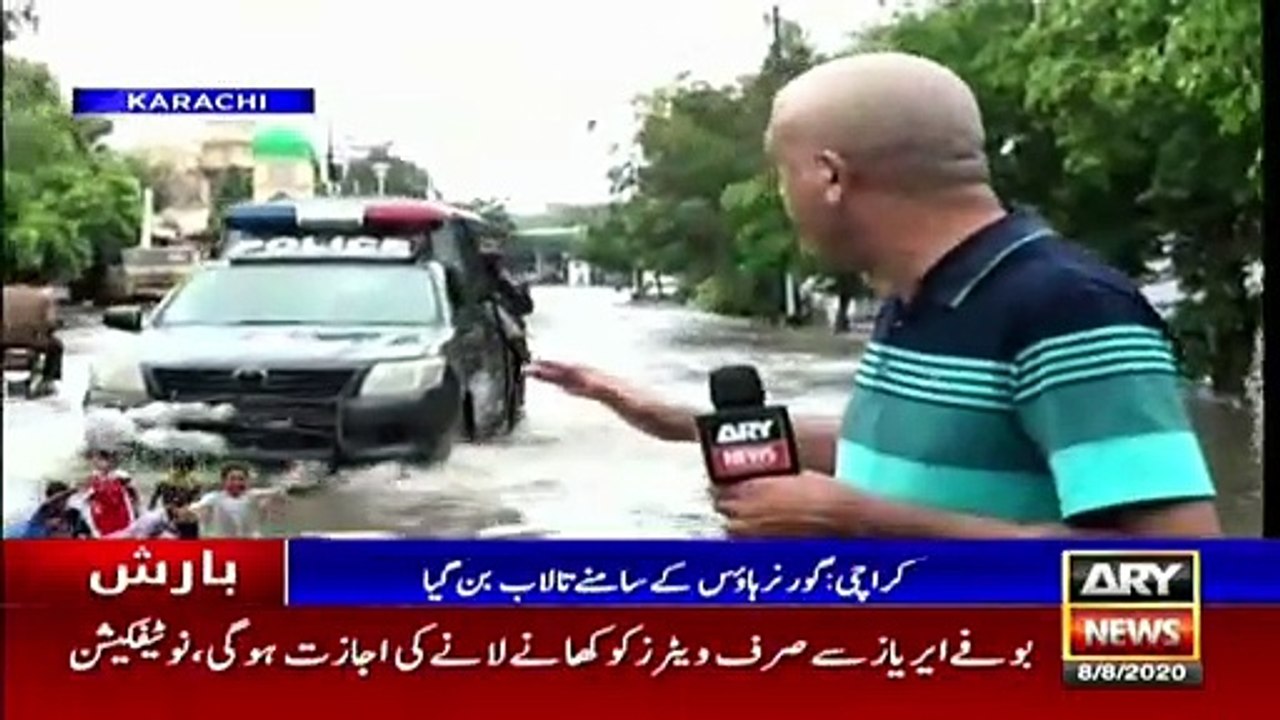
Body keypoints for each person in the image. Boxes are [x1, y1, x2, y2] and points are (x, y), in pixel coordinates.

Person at [528, 52, 1221, 539]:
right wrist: (678, 422)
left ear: (830, 177)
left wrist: (858, 519)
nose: (782, 195)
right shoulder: (919, 297)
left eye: (783, 173)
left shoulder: (1069, 310)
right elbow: (909, 454)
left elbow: (1181, 583)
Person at [187, 463, 284, 538]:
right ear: (223, 481)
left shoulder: (253, 495)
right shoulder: (214, 498)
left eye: (241, 479)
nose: (237, 483)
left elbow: (278, 491)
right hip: (223, 543)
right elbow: (194, 508)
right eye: (232, 479)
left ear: (246, 481)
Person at [2, 277, 64, 392]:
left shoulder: (4, 293)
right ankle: (47, 380)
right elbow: (50, 322)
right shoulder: (44, 296)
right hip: (34, 342)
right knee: (57, 347)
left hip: (4, 341)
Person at [80, 449, 137, 537]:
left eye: (102, 460)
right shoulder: (91, 480)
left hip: (124, 522)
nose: (98, 463)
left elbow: (131, 492)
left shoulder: (119, 476)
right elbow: (86, 503)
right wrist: (94, 528)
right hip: (104, 525)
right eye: (96, 460)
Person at [10, 481, 93, 539]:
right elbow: (49, 502)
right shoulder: (41, 513)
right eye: (58, 500)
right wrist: (73, 490)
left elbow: (85, 535)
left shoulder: (74, 513)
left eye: (65, 499)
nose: (62, 502)